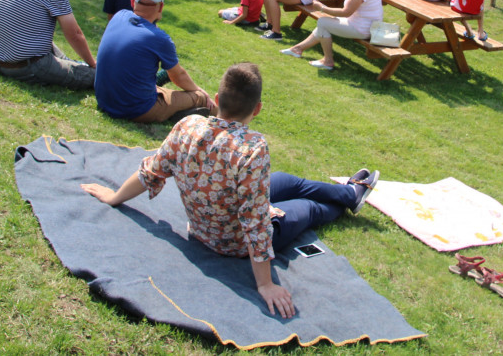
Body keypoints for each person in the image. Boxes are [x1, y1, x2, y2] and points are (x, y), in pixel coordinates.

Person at [81, 62, 379, 318]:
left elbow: (152, 169)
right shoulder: (252, 148)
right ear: (257, 108)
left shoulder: (187, 126)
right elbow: (255, 222)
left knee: (288, 180)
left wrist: (115, 196)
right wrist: (264, 284)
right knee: (310, 209)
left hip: (206, 222)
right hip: (229, 242)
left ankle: (349, 193)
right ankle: (348, 200)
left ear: (216, 98)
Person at [93, 0, 215, 123]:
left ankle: (179, 112)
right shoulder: (159, 39)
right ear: (161, 6)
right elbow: (178, 76)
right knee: (200, 97)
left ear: (133, 1)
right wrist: (199, 90)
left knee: (165, 84)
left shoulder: (119, 16)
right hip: (136, 109)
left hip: (105, 101)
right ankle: (229, 120)